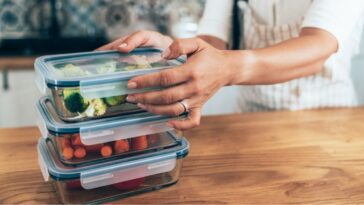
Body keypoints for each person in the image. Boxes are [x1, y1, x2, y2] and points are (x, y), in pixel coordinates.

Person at [97, 0, 364, 130]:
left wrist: (228, 68)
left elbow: (318, 45)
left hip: (332, 121)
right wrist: (168, 50)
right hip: (250, 122)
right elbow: (211, 43)